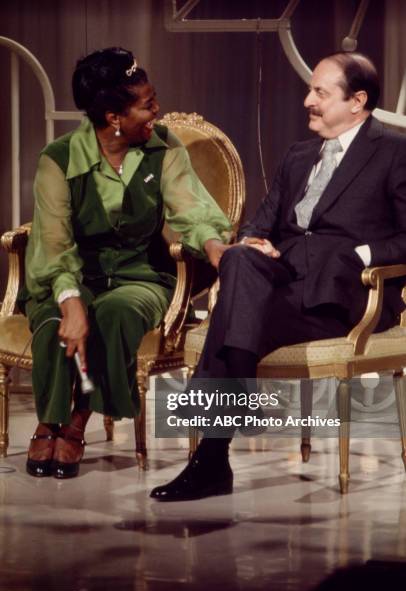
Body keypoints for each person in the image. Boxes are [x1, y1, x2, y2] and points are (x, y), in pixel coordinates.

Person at [150, 51, 406, 502]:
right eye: (310, 90)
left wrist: (363, 253)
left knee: (232, 317)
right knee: (238, 259)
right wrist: (252, 241)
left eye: (320, 93)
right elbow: (260, 221)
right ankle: (227, 428)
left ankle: (212, 459)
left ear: (357, 100)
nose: (307, 100)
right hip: (284, 285)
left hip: (345, 296)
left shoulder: (393, 150)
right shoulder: (298, 155)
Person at [23, 47, 232, 479]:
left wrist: (214, 246)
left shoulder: (164, 148)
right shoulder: (58, 159)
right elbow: (54, 241)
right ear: (113, 116)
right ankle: (49, 421)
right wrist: (69, 300)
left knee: (116, 312)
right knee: (51, 320)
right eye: (147, 105)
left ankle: (78, 419)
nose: (158, 111)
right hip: (72, 273)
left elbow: (189, 208)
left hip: (140, 274)